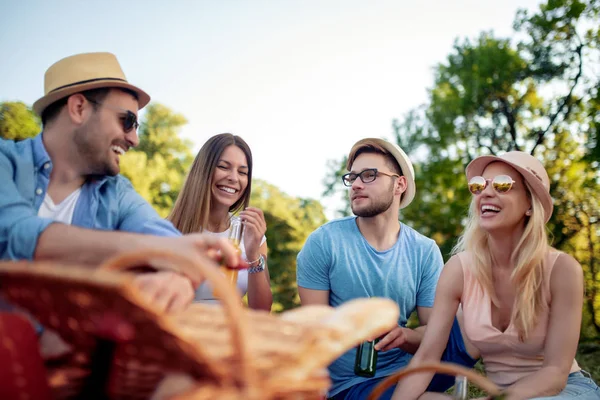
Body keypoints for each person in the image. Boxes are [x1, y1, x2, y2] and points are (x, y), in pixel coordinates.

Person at [0, 52, 241, 316]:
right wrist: (156, 251)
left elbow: (163, 237)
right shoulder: (5, 163)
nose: (134, 139)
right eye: (127, 121)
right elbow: (14, 232)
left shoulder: (116, 192)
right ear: (78, 108)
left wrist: (177, 275)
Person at [392, 151, 600, 400]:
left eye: (503, 184)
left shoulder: (563, 270)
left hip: (563, 391)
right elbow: (426, 357)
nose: (486, 193)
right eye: (479, 185)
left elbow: (555, 374)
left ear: (529, 205)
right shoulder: (458, 269)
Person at [296, 138, 478, 400]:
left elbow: (433, 333)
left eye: (369, 175)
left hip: (413, 370)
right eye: (352, 177)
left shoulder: (424, 250)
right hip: (350, 385)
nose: (356, 184)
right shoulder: (325, 242)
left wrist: (403, 336)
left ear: (399, 184)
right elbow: (313, 330)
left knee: (472, 319)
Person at [168, 133, 273, 311]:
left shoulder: (251, 234)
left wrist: (253, 254)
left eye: (242, 172)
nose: (234, 178)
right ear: (204, 170)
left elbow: (262, 310)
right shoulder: (168, 231)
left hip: (229, 332)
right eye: (224, 167)